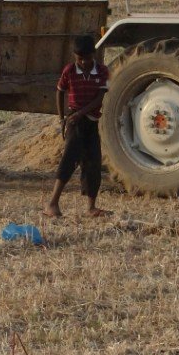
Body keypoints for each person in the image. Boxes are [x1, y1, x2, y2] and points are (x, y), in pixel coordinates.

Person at [43, 35, 110, 218]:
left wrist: (81, 113)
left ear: (93, 55)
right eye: (79, 58)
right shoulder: (70, 70)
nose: (83, 62)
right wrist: (62, 118)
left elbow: (99, 98)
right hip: (75, 121)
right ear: (74, 56)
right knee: (69, 159)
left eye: (86, 58)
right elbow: (60, 91)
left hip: (91, 121)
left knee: (93, 162)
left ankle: (91, 207)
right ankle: (52, 204)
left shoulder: (102, 71)